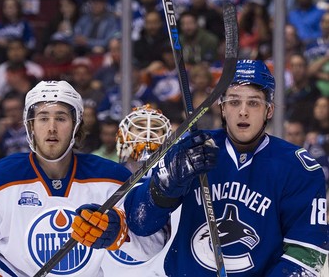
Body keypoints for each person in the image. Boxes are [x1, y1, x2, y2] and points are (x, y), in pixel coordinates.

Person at [122, 60, 328, 276]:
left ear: (269, 110)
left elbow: (307, 254)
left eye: (254, 103)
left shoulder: (299, 168)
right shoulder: (188, 149)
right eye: (234, 102)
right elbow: (140, 223)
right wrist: (166, 185)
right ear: (222, 108)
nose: (243, 112)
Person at [0, 80, 164, 276]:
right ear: (31, 126)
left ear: (76, 126)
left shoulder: (113, 179)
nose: (51, 127)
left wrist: (120, 233)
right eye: (43, 118)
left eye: (61, 118)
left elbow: (154, 247)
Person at [101, 104, 172, 276]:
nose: (147, 133)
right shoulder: (104, 176)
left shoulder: (176, 180)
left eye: (155, 128)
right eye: (139, 127)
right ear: (123, 136)